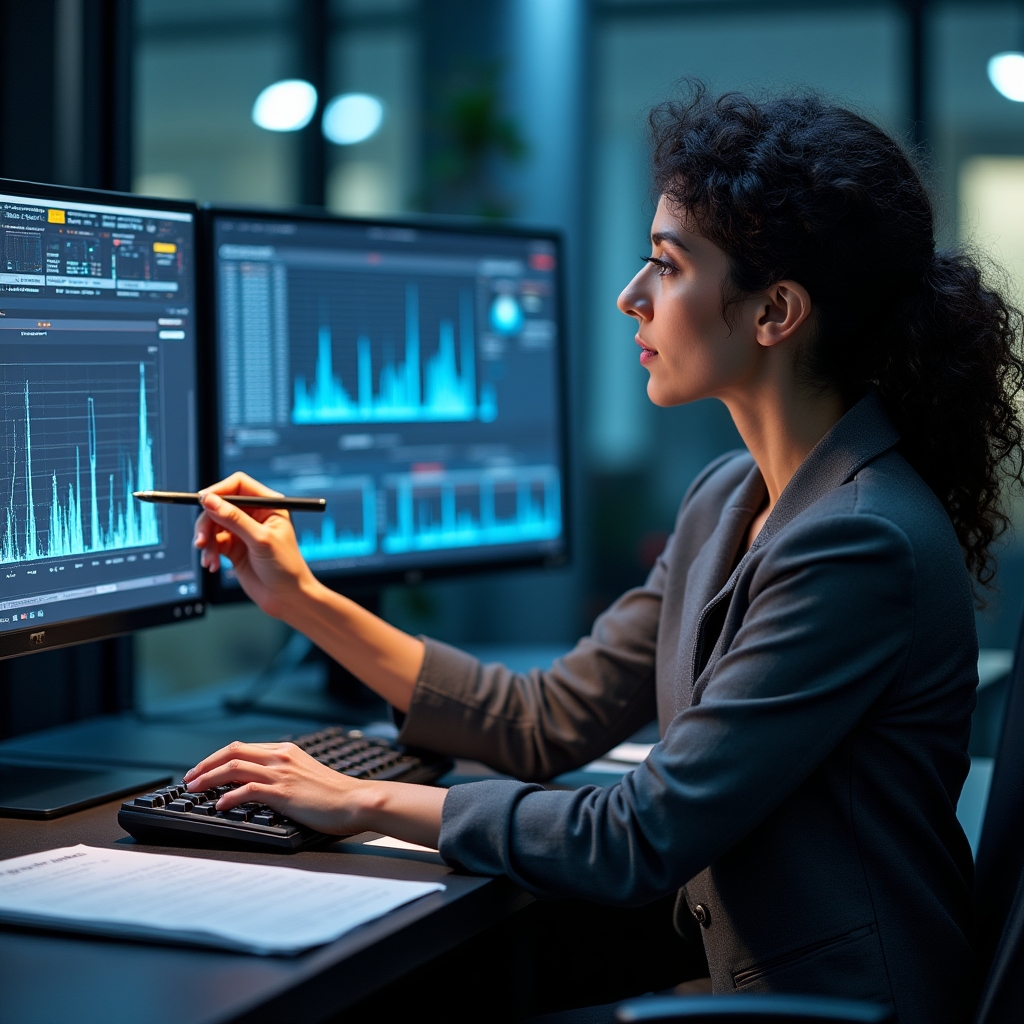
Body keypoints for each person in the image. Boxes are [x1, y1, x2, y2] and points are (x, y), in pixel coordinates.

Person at [184, 87, 1024, 1022]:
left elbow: (640, 833)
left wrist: (359, 800)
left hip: (839, 1009)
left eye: (667, 264)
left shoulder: (857, 540)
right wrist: (300, 595)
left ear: (775, 312)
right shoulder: (728, 498)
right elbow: (547, 720)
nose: (632, 296)